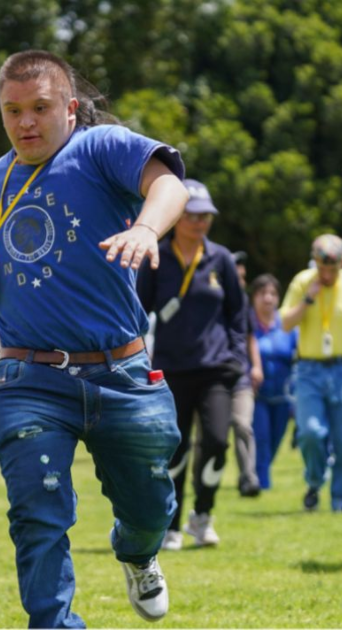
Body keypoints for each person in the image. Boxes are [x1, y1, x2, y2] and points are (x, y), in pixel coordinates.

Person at [0, 50, 187, 627]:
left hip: (121, 374)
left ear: (68, 107)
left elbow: (169, 188)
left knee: (149, 505)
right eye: (12, 111)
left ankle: (138, 552)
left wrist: (144, 226)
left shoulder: (99, 146)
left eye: (40, 108)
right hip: (29, 378)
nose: (26, 122)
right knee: (37, 514)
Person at [137, 178, 245, 550]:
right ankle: (171, 523)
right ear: (177, 215)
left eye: (206, 216)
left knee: (216, 442)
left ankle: (202, 516)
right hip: (170, 371)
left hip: (216, 369)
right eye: (192, 215)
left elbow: (238, 314)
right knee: (174, 449)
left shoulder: (222, 260)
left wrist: (237, 357)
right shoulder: (155, 257)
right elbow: (139, 310)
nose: (199, 223)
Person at [280, 234, 342, 512]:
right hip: (308, 370)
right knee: (311, 433)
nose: (326, 274)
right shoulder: (303, 281)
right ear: (314, 262)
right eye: (321, 267)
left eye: (333, 268)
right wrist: (307, 299)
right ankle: (315, 479)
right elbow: (285, 324)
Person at [249, 273, 298, 491]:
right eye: (262, 294)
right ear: (254, 297)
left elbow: (299, 355)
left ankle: (257, 473)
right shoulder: (247, 326)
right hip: (257, 395)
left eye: (272, 293)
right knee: (262, 439)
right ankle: (262, 484)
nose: (268, 298)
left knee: (276, 440)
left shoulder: (287, 325)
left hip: (283, 396)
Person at [227, 250, 264, 497]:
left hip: (241, 376)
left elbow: (251, 337)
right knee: (207, 438)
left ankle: (248, 478)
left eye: (243, 277)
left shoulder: (244, 304)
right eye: (236, 277)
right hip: (211, 376)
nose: (241, 282)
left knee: (243, 425)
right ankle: (203, 480)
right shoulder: (211, 301)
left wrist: (257, 366)